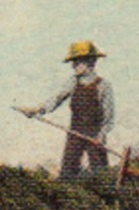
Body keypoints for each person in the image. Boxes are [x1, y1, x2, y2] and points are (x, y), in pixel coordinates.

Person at [19, 40, 114, 178]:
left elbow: (109, 117)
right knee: (67, 173)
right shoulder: (73, 82)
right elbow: (56, 99)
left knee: (101, 175)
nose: (73, 65)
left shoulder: (103, 86)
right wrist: (37, 110)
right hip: (75, 132)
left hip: (95, 134)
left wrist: (101, 135)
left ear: (90, 62)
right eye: (73, 62)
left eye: (77, 61)